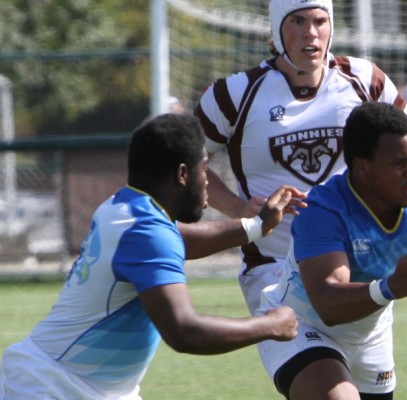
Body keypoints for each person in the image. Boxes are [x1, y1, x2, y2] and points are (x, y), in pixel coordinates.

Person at [0, 113, 306, 399]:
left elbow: (180, 239)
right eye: (204, 169)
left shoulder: (123, 206)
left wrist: (256, 226)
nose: (208, 184)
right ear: (183, 174)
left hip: (75, 384)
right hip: (51, 388)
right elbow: (184, 331)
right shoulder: (146, 232)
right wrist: (271, 325)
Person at [194, 0, 407, 315]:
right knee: (314, 360)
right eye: (298, 21)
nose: (311, 33)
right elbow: (185, 166)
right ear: (277, 29)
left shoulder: (365, 79)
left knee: (367, 365)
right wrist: (238, 208)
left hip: (358, 260)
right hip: (273, 267)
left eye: (320, 21)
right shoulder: (233, 94)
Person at [255, 101, 407, 399]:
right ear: (361, 166)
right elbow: (328, 303)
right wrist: (392, 287)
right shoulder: (321, 209)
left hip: (372, 333)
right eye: (399, 163)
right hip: (301, 324)